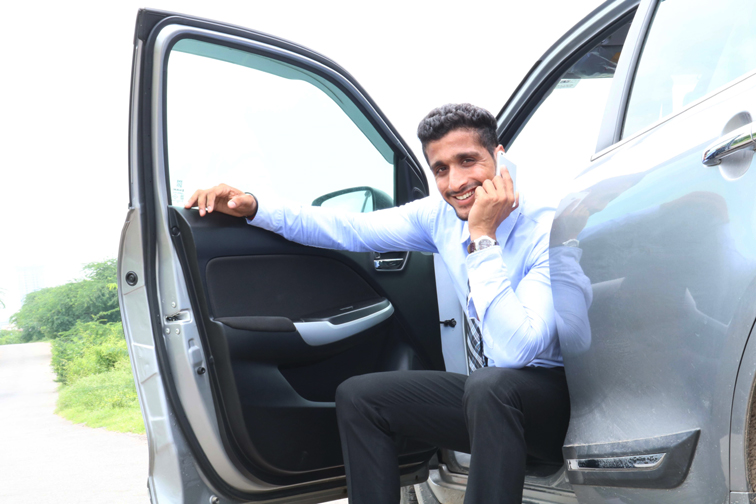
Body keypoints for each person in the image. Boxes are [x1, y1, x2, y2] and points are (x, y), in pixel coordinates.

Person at [186, 103, 569, 504]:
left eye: (467, 161)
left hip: (553, 408)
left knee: (491, 384)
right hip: (487, 403)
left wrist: (483, 239)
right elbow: (348, 229)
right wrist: (254, 206)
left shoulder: (546, 227)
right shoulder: (439, 217)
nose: (455, 181)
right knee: (361, 397)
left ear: (500, 157)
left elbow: (515, 352)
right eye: (441, 169)